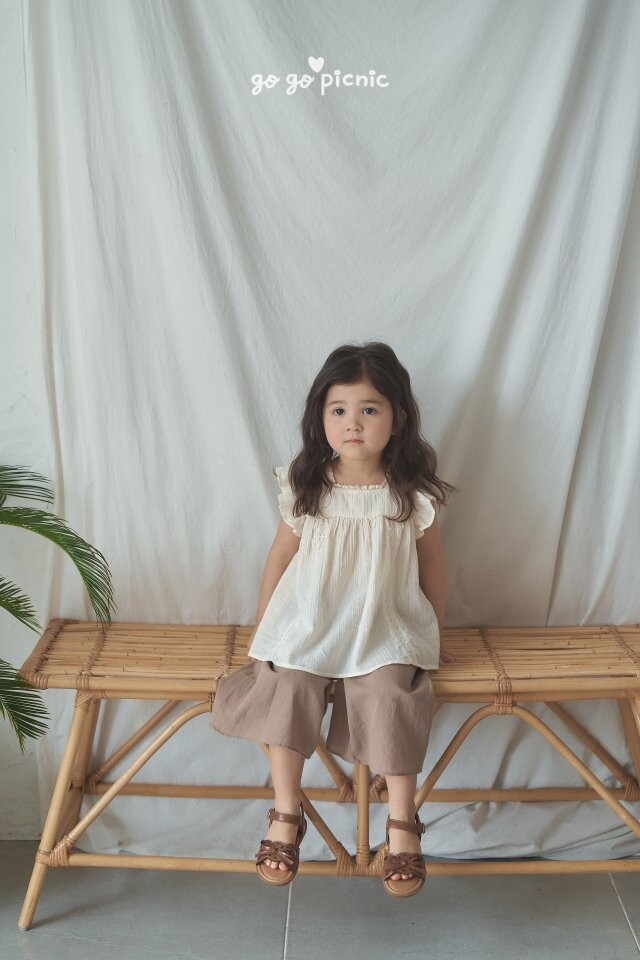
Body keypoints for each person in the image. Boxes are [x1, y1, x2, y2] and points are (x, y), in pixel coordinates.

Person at [211, 340, 457, 898]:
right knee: (289, 685)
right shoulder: (308, 484)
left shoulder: (411, 493)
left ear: (398, 418)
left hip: (384, 625)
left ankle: (402, 820)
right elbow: (280, 556)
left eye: (369, 409)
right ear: (320, 417)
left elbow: (432, 563)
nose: (353, 423)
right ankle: (286, 812)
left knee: (392, 692)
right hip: (310, 621)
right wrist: (266, 627)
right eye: (339, 409)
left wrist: (434, 630)